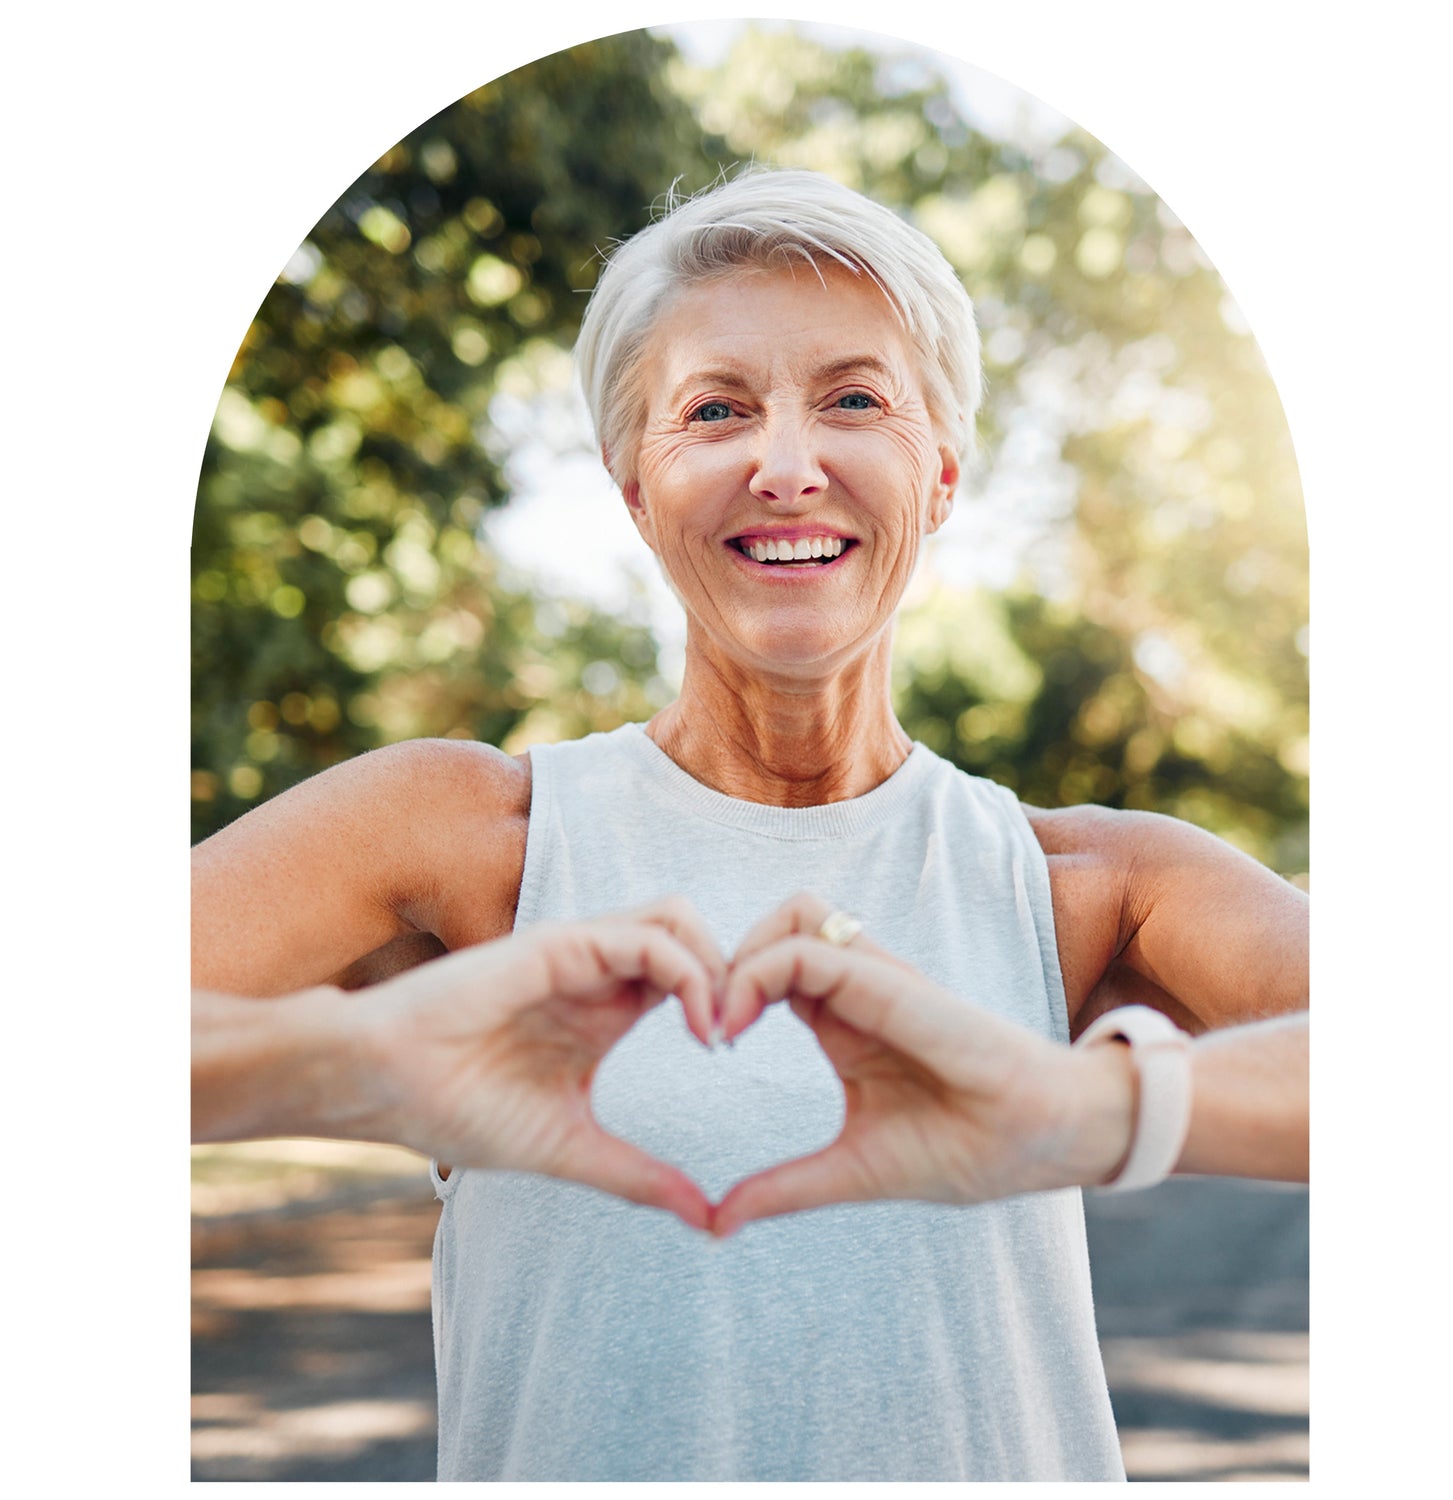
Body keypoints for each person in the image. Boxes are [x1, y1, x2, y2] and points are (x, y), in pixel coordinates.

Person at [192, 166, 1308, 1481]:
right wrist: (345, 1060)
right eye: (715, 410)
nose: (787, 466)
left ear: (940, 472)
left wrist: (1082, 1103)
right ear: (635, 493)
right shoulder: (463, 839)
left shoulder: (1088, 886)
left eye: (853, 399)